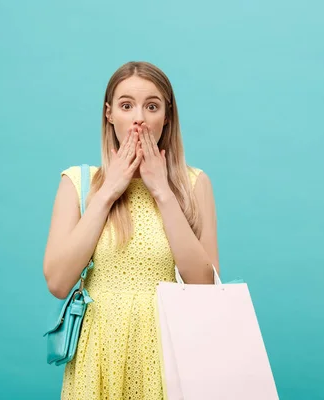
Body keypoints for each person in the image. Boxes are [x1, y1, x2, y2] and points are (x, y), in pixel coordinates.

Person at [43, 61, 219, 400]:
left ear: (167, 116)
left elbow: (205, 286)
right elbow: (58, 281)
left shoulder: (195, 185)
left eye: (151, 106)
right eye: (126, 105)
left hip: (169, 355)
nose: (139, 118)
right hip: (98, 358)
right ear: (109, 114)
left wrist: (162, 191)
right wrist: (109, 189)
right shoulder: (76, 184)